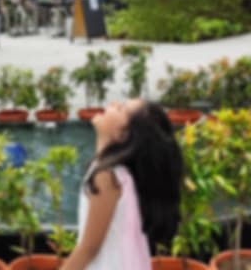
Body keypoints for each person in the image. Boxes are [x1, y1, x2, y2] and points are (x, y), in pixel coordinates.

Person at [62, 100, 183, 270]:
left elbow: (88, 249)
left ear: (123, 133)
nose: (113, 104)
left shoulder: (107, 177)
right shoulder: (118, 173)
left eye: (121, 109)